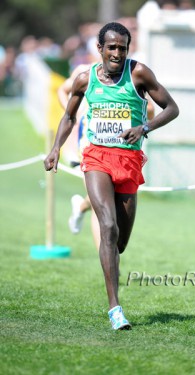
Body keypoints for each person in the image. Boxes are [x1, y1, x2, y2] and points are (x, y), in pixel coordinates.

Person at [44, 22, 179, 330]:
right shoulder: (84, 79)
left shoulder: (139, 74)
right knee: (107, 226)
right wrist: (55, 148)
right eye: (112, 47)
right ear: (100, 49)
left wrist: (144, 127)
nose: (117, 53)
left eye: (122, 47)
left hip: (129, 160)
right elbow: (67, 116)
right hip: (96, 157)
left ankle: (108, 257)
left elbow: (172, 108)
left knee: (119, 243)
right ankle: (115, 309)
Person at [57, 63, 100, 250]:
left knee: (105, 199)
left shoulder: (128, 75)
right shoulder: (84, 71)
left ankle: (81, 206)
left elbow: (149, 109)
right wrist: (72, 113)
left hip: (111, 148)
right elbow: (62, 89)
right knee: (100, 204)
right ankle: (106, 259)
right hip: (84, 145)